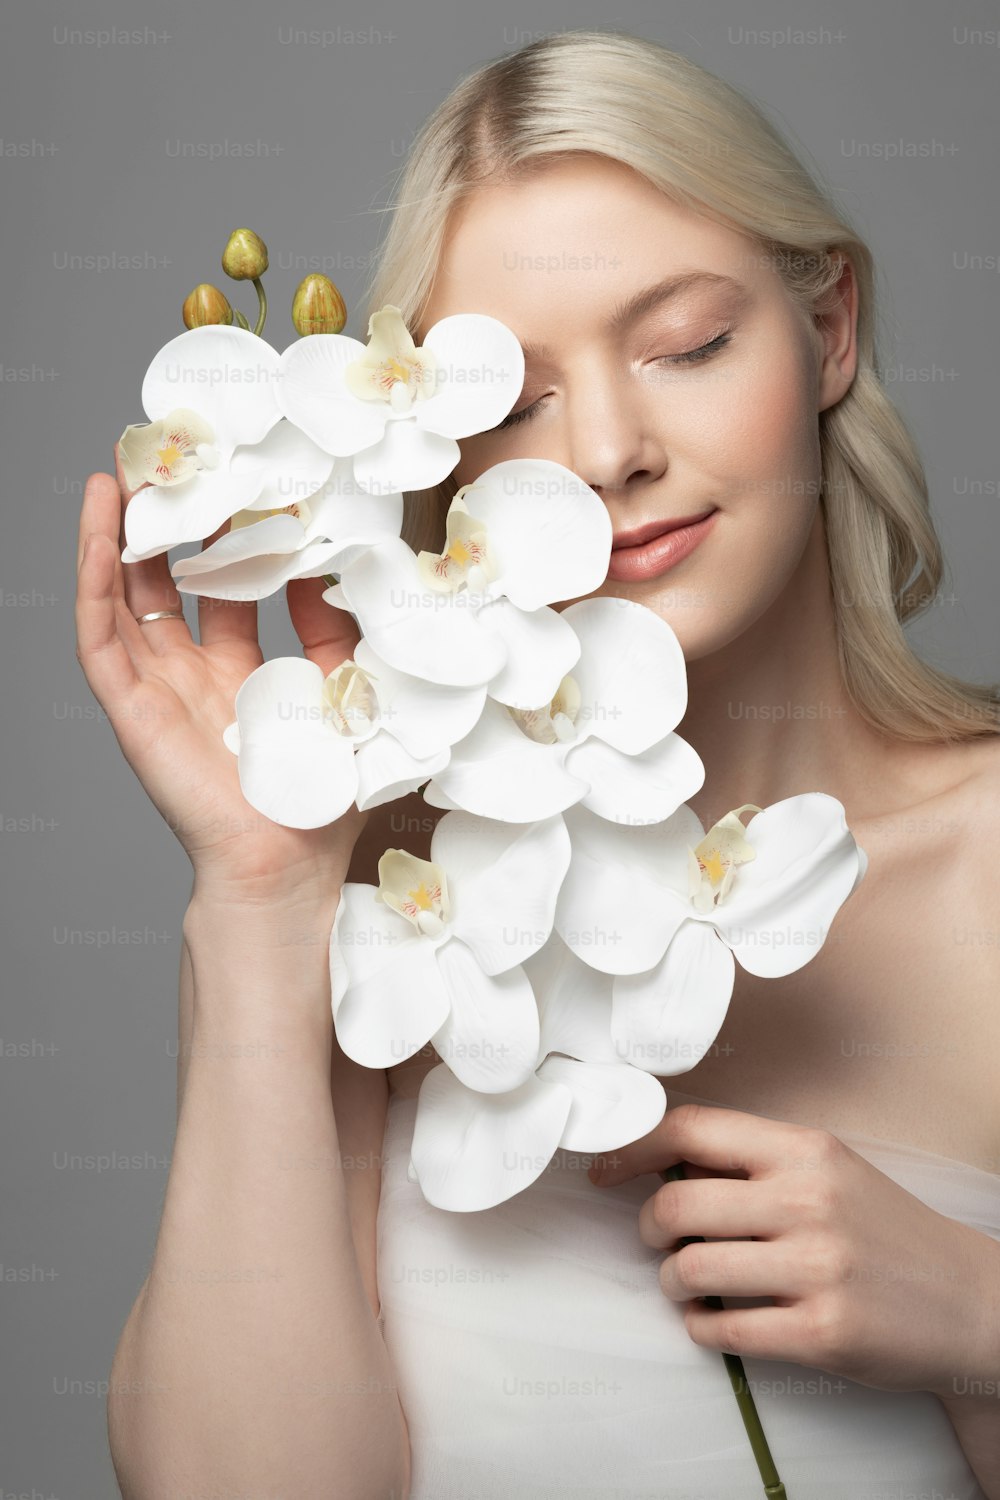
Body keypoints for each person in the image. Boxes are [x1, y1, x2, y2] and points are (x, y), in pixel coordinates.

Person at [76, 28, 1000, 1500]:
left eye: (690, 343)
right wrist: (256, 906)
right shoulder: (375, 907)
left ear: (830, 331)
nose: (613, 450)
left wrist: (982, 1320)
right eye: (515, 400)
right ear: (428, 450)